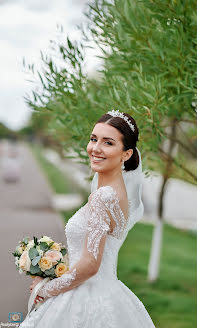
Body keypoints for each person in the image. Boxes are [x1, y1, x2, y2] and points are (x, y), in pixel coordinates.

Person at [19, 110, 156, 328]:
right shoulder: (115, 192)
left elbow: (91, 265)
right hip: (108, 290)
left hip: (86, 297)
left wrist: (45, 289)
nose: (96, 148)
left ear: (126, 154)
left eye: (108, 143)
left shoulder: (104, 196)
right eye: (94, 139)